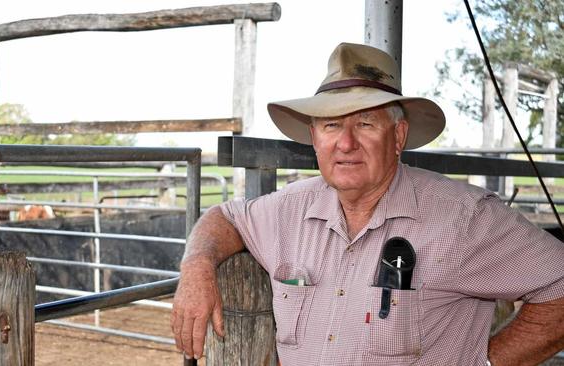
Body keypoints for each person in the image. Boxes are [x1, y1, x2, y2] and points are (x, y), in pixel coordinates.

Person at [171, 42, 564, 365]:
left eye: (365, 124)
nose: (345, 143)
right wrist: (197, 266)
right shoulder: (289, 208)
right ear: (313, 137)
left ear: (398, 136)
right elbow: (225, 217)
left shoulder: (462, 218)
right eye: (331, 125)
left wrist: (487, 363)